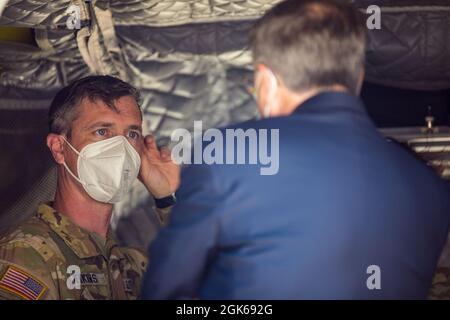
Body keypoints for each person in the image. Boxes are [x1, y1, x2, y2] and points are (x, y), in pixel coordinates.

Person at [141, 0, 450, 299]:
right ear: (357, 77)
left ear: (266, 80)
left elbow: (167, 290)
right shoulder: (430, 189)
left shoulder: (227, 153)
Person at [0, 76, 180, 300]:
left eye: (132, 134)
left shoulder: (131, 266)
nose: (121, 147)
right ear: (58, 148)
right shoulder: (27, 254)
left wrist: (166, 197)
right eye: (102, 132)